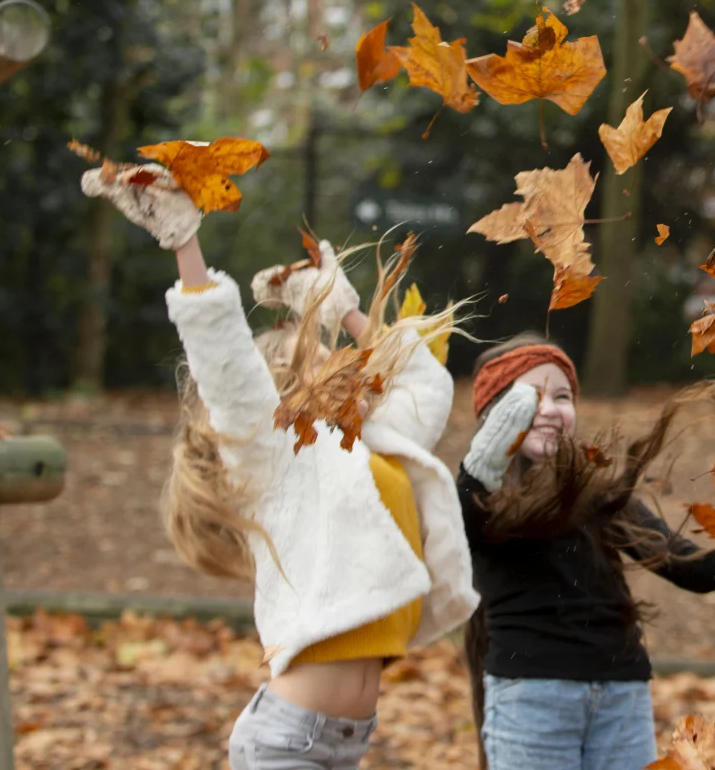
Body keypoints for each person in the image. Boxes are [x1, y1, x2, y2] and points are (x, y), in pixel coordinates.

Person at [81, 163, 480, 769]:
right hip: (289, 743)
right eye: (327, 357)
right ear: (289, 390)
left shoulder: (369, 445)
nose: (345, 364)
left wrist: (341, 306)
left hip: (341, 741)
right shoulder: (280, 458)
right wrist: (184, 244)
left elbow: (424, 378)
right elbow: (226, 368)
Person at [457, 334, 715, 770]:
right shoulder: (482, 503)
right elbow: (466, 514)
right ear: (492, 417)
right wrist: (480, 469)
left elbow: (692, 570)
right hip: (531, 698)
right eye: (527, 398)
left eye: (561, 397)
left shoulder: (600, 497)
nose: (547, 409)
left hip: (621, 699)